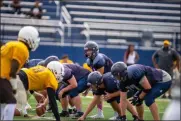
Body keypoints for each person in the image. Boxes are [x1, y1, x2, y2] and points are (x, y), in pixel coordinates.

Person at [0, 26, 40, 120]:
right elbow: (13, 70)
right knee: (12, 101)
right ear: (30, 38)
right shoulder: (22, 49)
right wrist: (14, 87)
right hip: (3, 77)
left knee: (2, 101)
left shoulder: (13, 44)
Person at [84, 41, 115, 119]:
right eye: (86, 50)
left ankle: (117, 113)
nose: (87, 52)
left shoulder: (99, 59)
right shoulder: (90, 60)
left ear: (94, 50)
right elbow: (94, 74)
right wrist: (89, 88)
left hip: (111, 77)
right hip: (104, 76)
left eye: (89, 50)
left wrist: (92, 86)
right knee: (97, 93)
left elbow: (99, 76)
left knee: (109, 95)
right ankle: (100, 113)